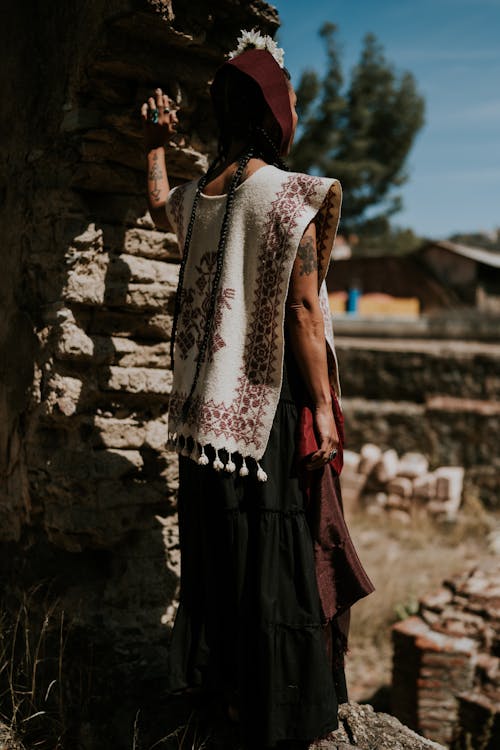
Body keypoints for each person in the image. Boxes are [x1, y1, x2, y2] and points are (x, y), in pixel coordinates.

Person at [141, 30, 374, 750]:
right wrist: (327, 416)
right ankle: (281, 717)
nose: (296, 110)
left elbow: (157, 206)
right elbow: (304, 310)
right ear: (271, 111)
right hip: (265, 412)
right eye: (292, 98)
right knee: (275, 565)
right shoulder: (290, 196)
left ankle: (227, 700)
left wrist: (155, 141)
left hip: (203, 419)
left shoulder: (204, 194)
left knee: (222, 559)